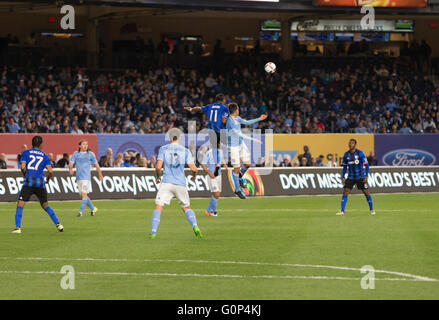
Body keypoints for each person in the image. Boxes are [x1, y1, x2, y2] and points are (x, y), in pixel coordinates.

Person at [149, 128, 202, 239]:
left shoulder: (163, 149)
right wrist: (194, 176)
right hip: (180, 183)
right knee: (186, 207)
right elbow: (194, 168)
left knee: (158, 206)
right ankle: (195, 226)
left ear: (169, 137)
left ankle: (153, 232)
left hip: (167, 182)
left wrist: (158, 177)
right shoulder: (185, 151)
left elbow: (158, 167)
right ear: (179, 137)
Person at [12, 136, 63, 233]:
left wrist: (25, 176)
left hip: (29, 182)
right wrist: (47, 179)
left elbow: (23, 167)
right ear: (40, 144)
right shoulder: (45, 156)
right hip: (40, 183)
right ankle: (58, 225)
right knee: (45, 205)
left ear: (32, 143)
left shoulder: (26, 152)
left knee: (20, 204)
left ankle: (18, 228)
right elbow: (50, 171)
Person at [226, 102, 267, 199]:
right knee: (236, 168)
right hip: (233, 147)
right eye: (238, 108)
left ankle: (240, 177)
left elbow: (247, 122)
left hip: (240, 144)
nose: (239, 110)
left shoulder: (237, 118)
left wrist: (259, 119)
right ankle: (237, 190)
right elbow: (239, 134)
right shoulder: (230, 122)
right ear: (236, 110)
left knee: (248, 164)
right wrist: (253, 139)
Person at [185, 93, 229, 176]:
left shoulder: (209, 106)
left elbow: (199, 109)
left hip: (211, 130)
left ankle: (217, 164)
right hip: (220, 130)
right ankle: (219, 164)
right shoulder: (224, 108)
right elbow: (224, 120)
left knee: (216, 148)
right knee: (223, 146)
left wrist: (191, 109)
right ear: (223, 100)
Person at [337, 139, 375, 216]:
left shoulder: (360, 153)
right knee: (345, 191)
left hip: (360, 176)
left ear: (355, 145)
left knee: (366, 192)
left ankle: (372, 209)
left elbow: (366, 165)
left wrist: (366, 175)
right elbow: (344, 167)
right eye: (349, 143)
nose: (350, 144)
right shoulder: (346, 155)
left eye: (352, 143)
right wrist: (343, 176)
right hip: (350, 177)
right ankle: (342, 210)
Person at [69, 139, 103, 217]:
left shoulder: (90, 154)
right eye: (83, 144)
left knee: (84, 195)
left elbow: (97, 165)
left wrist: (100, 174)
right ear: (80, 146)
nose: (85, 146)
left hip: (86, 177)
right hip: (78, 177)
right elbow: (71, 163)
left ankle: (80, 212)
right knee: (83, 196)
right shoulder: (76, 154)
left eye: (86, 144)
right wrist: (70, 169)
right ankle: (93, 208)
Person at [201, 146, 227, 217]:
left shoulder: (220, 152)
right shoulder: (208, 153)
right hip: (212, 177)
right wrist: (210, 173)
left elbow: (221, 161)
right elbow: (203, 165)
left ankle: (208, 211)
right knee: (216, 194)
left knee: (216, 194)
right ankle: (214, 212)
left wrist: (225, 166)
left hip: (219, 175)